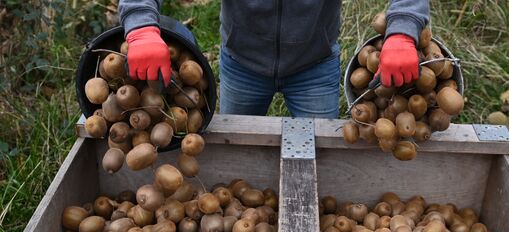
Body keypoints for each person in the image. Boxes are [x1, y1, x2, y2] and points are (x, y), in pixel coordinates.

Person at [118, 0, 429, 118]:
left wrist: (402, 31)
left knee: (319, 160)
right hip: (242, 63)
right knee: (236, 157)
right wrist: (142, 26)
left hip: (315, 65)